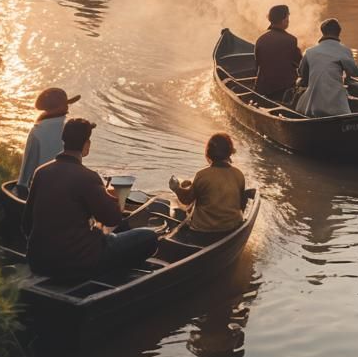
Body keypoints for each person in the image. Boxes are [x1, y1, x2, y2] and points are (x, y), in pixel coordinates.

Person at [22, 118, 159, 277]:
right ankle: (116, 274)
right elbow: (113, 219)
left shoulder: (41, 172)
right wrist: (114, 196)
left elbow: (26, 224)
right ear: (86, 145)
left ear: (63, 140)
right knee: (149, 237)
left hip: (38, 261)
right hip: (77, 263)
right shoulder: (88, 177)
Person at [168, 132, 247, 245]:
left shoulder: (202, 175)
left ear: (208, 153)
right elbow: (242, 205)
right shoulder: (239, 174)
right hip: (231, 230)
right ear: (229, 153)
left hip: (202, 234)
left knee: (177, 212)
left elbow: (186, 200)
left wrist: (176, 188)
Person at [16, 87, 81, 195]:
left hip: (42, 191)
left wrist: (21, 187)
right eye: (66, 104)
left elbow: (27, 171)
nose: (67, 107)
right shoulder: (72, 129)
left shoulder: (37, 131)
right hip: (69, 189)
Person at [295, 18, 358, 117]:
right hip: (337, 107)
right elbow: (355, 73)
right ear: (339, 33)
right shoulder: (344, 50)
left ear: (323, 32)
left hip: (313, 106)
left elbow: (301, 74)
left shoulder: (309, 52)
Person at [254, 4, 302, 101]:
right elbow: (299, 64)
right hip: (285, 90)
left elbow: (257, 64)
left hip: (263, 88)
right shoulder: (291, 40)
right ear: (284, 20)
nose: (288, 20)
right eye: (287, 17)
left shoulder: (260, 39)